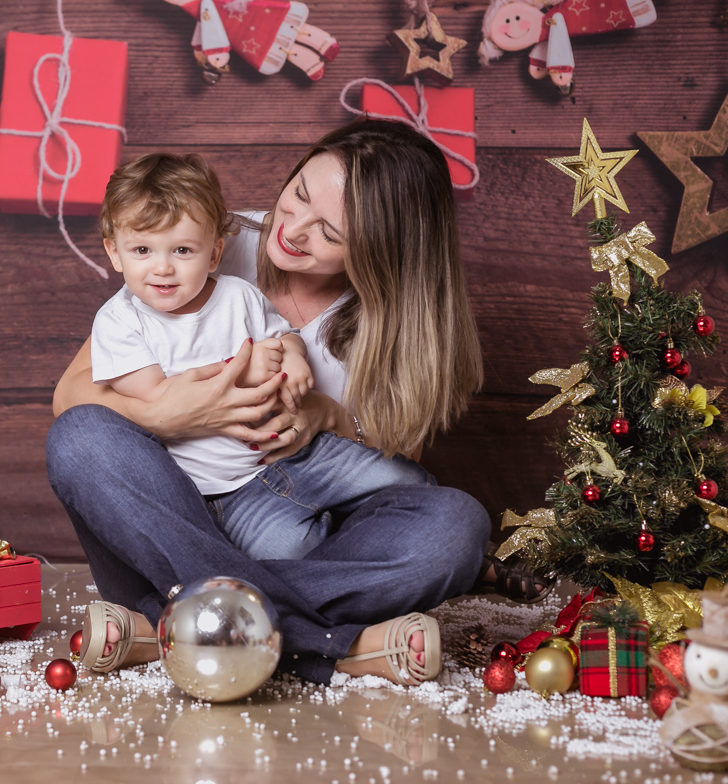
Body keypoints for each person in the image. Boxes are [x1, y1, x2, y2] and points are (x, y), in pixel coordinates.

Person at [47, 118, 550, 687]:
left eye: (329, 232)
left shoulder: (397, 322)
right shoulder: (204, 237)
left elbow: (393, 465)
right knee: (80, 439)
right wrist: (163, 413)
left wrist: (327, 416)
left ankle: (162, 623)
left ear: (380, 252)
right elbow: (72, 395)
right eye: (300, 194)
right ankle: (332, 646)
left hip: (281, 518)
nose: (293, 229)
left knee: (453, 527)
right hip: (162, 508)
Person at [91, 152, 436, 564]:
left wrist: (294, 358)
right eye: (142, 250)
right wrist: (244, 370)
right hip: (222, 489)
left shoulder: (237, 294)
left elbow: (284, 335)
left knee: (412, 483)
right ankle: (342, 559)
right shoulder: (120, 321)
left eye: (182, 250)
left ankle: (382, 548)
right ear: (115, 253)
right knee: (292, 550)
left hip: (303, 455)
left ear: (214, 253)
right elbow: (157, 398)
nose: (162, 268)